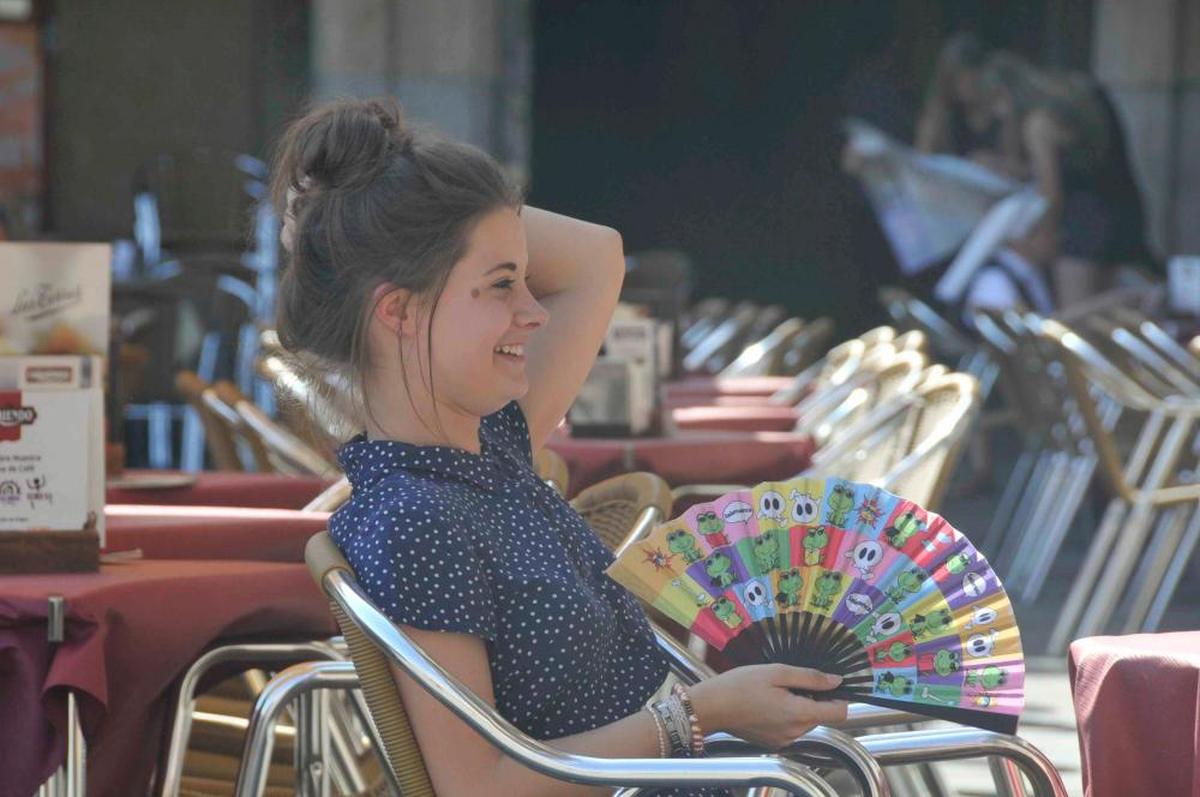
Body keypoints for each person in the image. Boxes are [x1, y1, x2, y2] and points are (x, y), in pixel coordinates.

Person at [271, 97, 847, 797]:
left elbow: (597, 257)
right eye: (501, 284)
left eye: (524, 275)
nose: (535, 310)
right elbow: (478, 786)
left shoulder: (491, 449)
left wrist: (381, 207)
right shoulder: (418, 517)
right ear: (398, 310)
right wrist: (699, 713)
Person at [978, 52, 1150, 307]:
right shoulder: (1079, 103)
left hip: (1083, 223)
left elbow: (1050, 192)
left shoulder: (1038, 123)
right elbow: (1072, 165)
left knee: (1077, 316)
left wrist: (1043, 234)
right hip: (1121, 209)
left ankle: (1141, 298)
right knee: (1104, 311)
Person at [913, 32, 998, 160]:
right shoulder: (942, 113)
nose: (962, 85)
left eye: (966, 77)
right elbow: (922, 160)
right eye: (955, 79)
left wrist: (999, 165)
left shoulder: (1002, 111)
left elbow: (1027, 167)